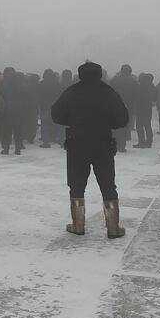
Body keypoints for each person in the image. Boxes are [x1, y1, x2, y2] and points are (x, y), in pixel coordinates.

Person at [51, 61, 129, 238]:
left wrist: (72, 120)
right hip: (102, 143)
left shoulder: (71, 92)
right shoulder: (108, 93)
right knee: (108, 184)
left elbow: (56, 114)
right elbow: (122, 119)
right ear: (100, 74)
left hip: (76, 143)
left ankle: (78, 225)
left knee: (76, 185)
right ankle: (113, 228)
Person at [109, 65, 138, 152]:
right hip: (128, 106)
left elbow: (110, 91)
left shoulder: (114, 80)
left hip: (115, 105)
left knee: (114, 126)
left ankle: (113, 144)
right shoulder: (133, 82)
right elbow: (135, 95)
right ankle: (122, 146)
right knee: (124, 126)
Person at [134, 72, 157, 148]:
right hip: (148, 109)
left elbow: (136, 97)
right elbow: (155, 98)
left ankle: (141, 142)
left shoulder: (140, 87)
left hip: (140, 109)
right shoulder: (152, 87)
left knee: (139, 126)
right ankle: (149, 142)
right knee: (147, 126)